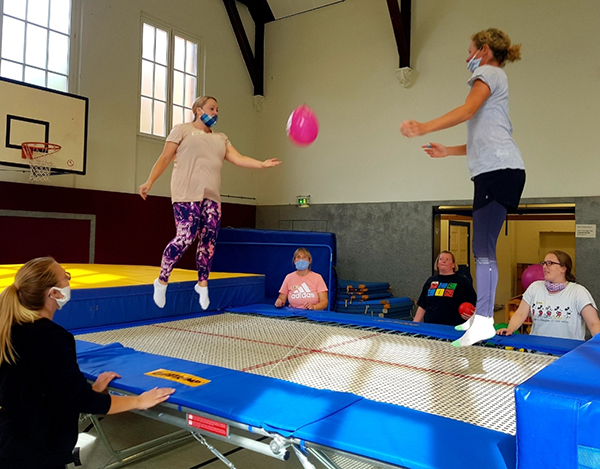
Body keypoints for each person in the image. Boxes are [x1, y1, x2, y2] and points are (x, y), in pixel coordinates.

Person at [400, 28, 525, 347]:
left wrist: (423, 126)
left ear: (483, 50)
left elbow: (466, 110)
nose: (466, 56)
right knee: (482, 249)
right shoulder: (498, 82)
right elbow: (484, 140)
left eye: (469, 50)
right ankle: (481, 317)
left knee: (482, 249)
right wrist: (448, 151)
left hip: (498, 172)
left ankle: (483, 320)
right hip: (500, 168)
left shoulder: (488, 72)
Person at [0, 257, 175, 469]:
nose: (68, 282)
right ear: (54, 293)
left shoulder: (9, 327)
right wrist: (139, 401)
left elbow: (34, 385)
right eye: (66, 277)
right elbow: (83, 401)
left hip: (11, 439)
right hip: (33, 452)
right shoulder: (50, 337)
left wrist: (90, 389)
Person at [139, 96, 281, 310]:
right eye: (211, 108)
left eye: (217, 109)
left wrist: (261, 164)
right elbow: (165, 157)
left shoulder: (221, 138)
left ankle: (202, 284)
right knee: (185, 237)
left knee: (209, 241)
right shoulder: (182, 130)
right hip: (187, 193)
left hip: (211, 196)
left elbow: (238, 158)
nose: (215, 112)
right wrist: (150, 181)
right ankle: (161, 280)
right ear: (197, 110)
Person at [497, 251, 600, 340]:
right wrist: (510, 329)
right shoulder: (535, 288)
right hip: (537, 352)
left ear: (563, 268)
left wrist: (597, 342)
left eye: (550, 263)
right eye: (544, 263)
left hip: (568, 354)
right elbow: (520, 314)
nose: (545, 267)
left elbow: (593, 323)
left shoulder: (578, 292)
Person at [413, 251, 477, 326]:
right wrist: (414, 324)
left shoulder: (462, 281)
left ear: (453, 265)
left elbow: (475, 303)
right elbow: (422, 305)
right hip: (431, 327)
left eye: (447, 259)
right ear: (437, 264)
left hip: (453, 328)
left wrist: (473, 317)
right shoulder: (430, 281)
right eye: (441, 259)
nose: (444, 261)